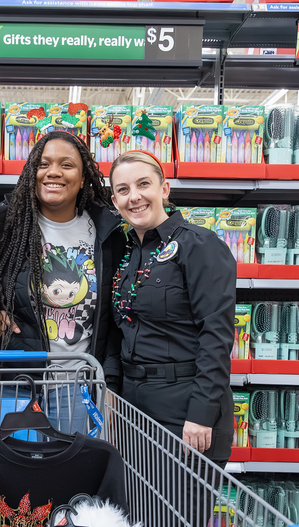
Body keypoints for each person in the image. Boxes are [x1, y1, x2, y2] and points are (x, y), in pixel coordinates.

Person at [0, 130, 125, 432]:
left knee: (70, 474)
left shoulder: (108, 233)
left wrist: (112, 382)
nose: (53, 172)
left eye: (67, 165)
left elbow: (115, 320)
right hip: (16, 382)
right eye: (44, 164)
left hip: (77, 385)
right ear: (31, 172)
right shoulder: (4, 226)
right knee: (15, 472)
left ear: (83, 176)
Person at [108, 150, 236, 463]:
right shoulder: (126, 254)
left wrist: (201, 414)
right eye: (123, 190)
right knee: (139, 510)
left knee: (178, 511)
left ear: (164, 189)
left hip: (185, 410)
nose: (134, 197)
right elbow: (118, 331)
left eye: (143, 185)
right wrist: (110, 395)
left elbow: (216, 335)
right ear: (114, 201)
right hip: (132, 409)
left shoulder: (199, 245)